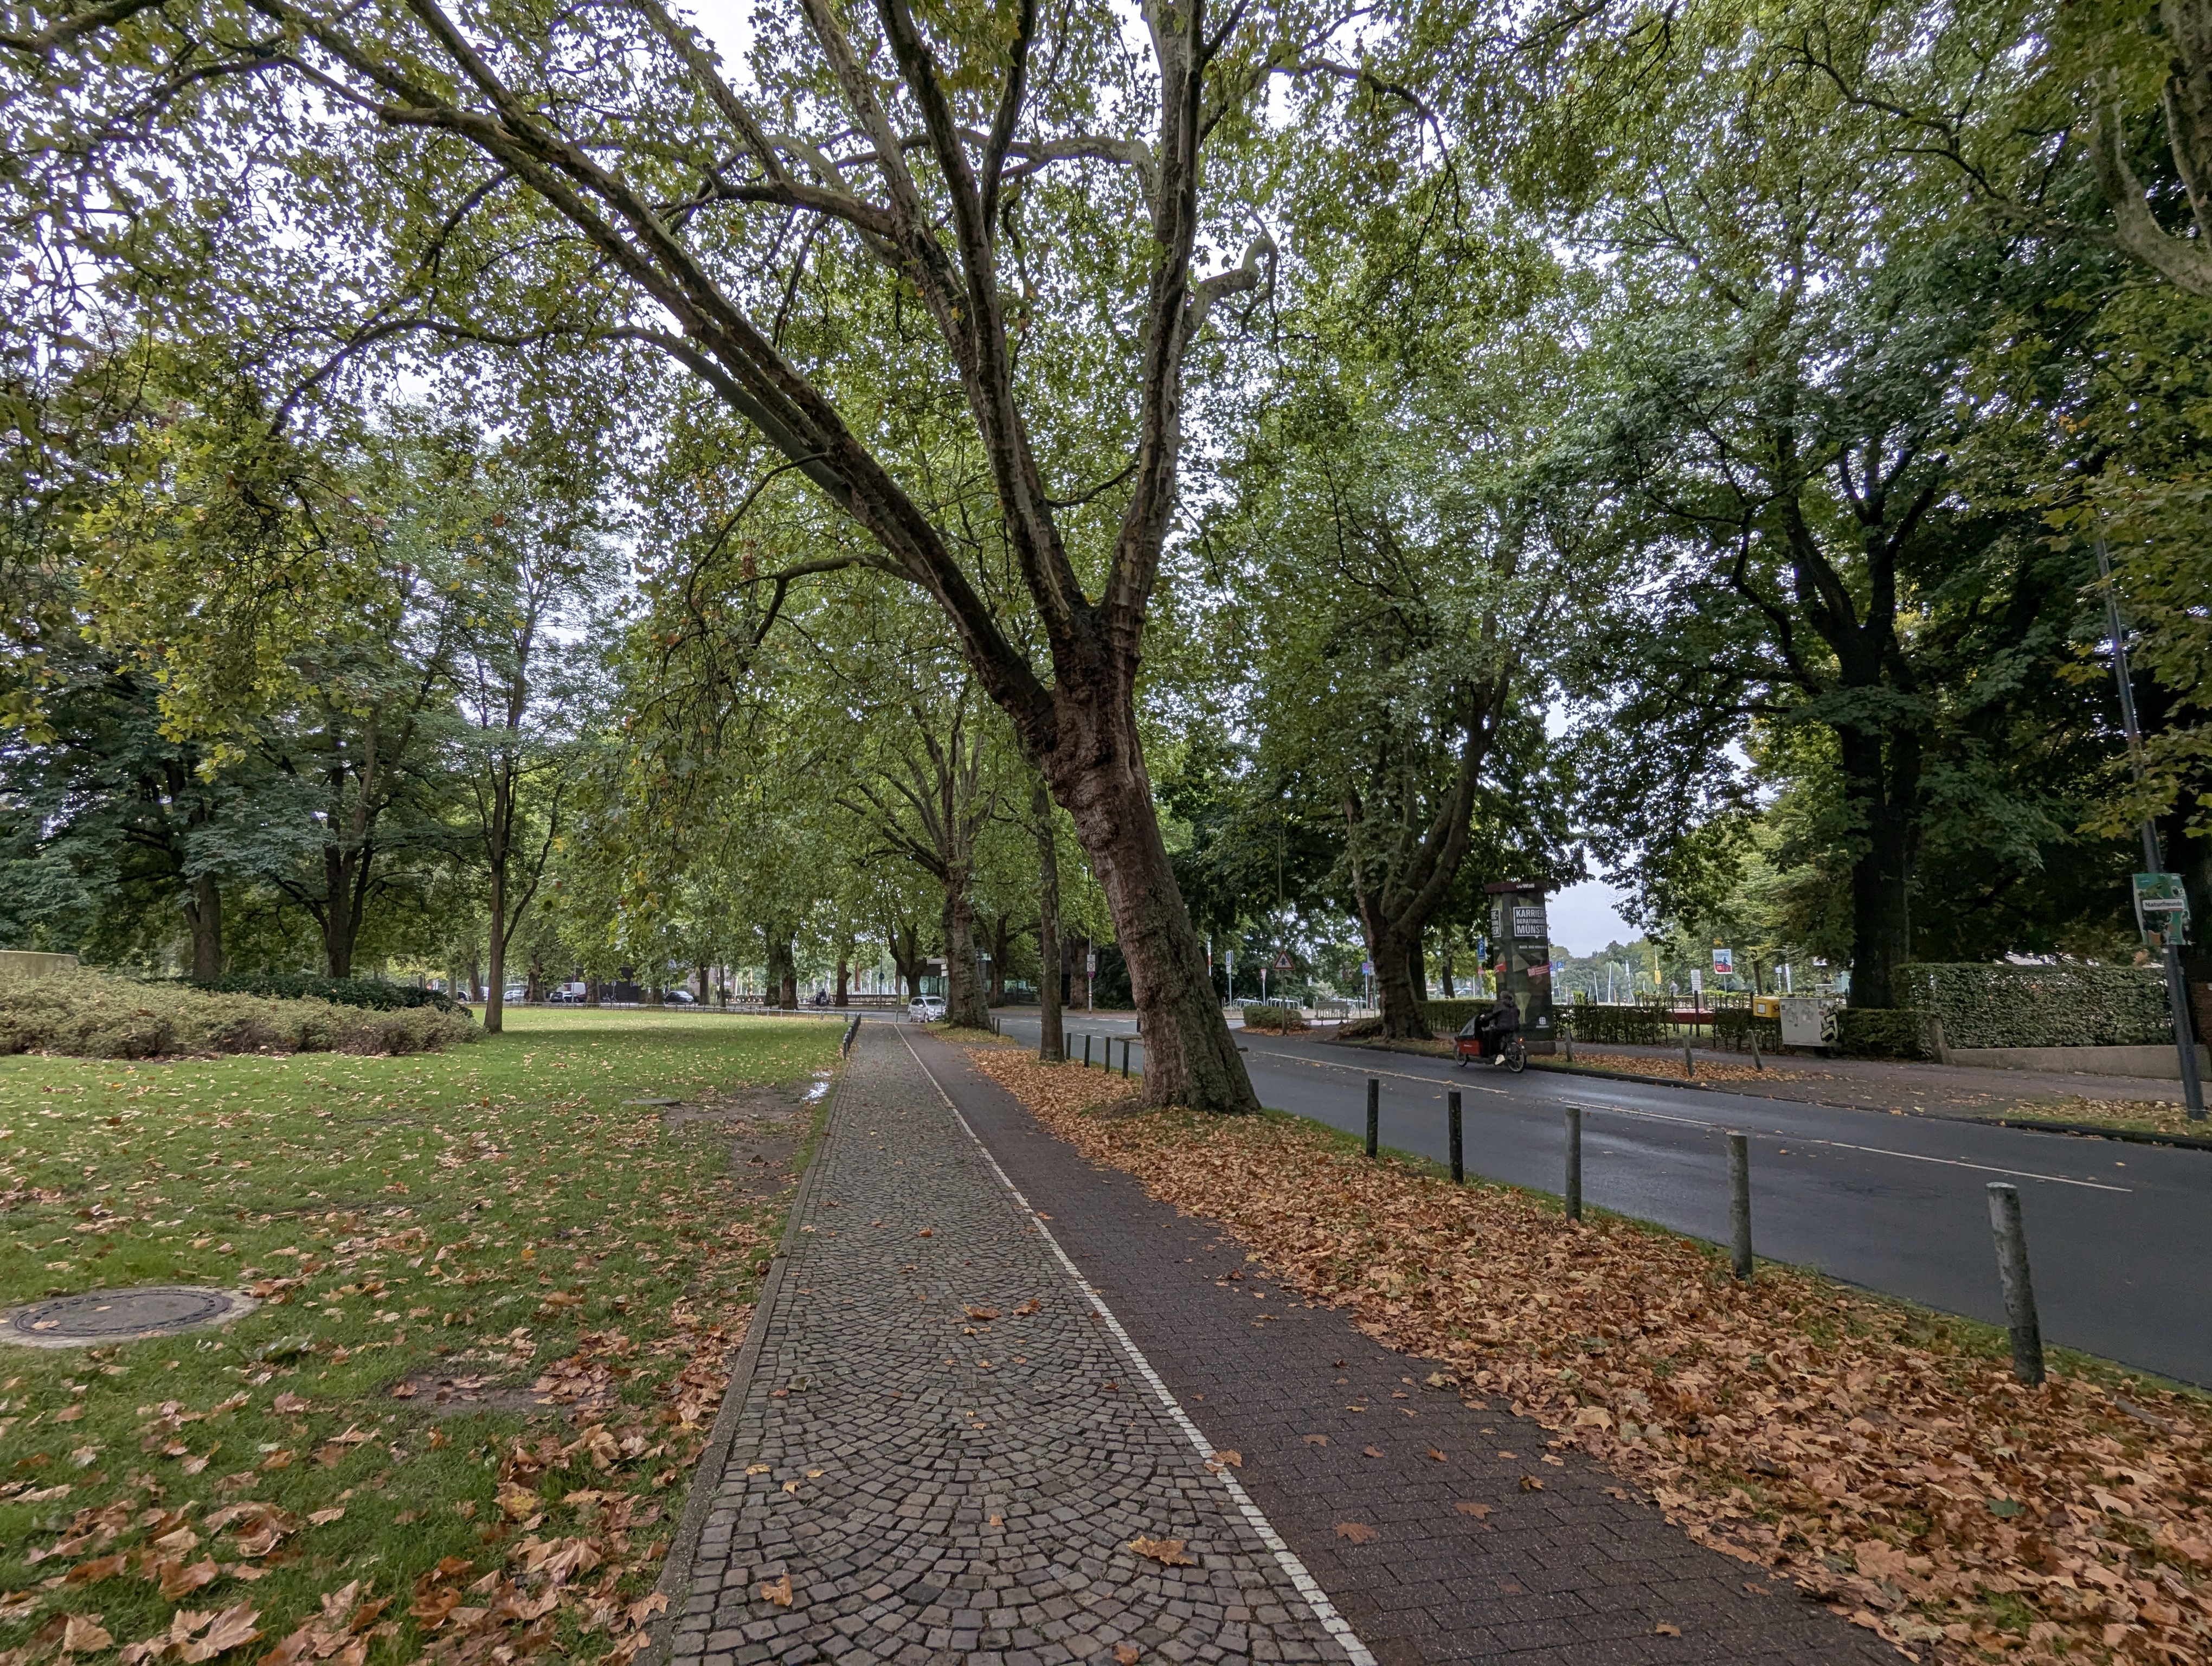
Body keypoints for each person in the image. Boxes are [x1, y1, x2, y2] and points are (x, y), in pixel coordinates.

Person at [1479, 991, 1520, 1061]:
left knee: (1494, 1036)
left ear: (1502, 997)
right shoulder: (1513, 1005)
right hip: (1515, 1026)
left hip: (1503, 1027)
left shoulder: (1501, 1004)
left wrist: (1484, 1018)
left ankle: (1499, 1054)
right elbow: (1518, 1013)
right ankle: (1507, 1051)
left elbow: (1493, 1014)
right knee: (1507, 1038)